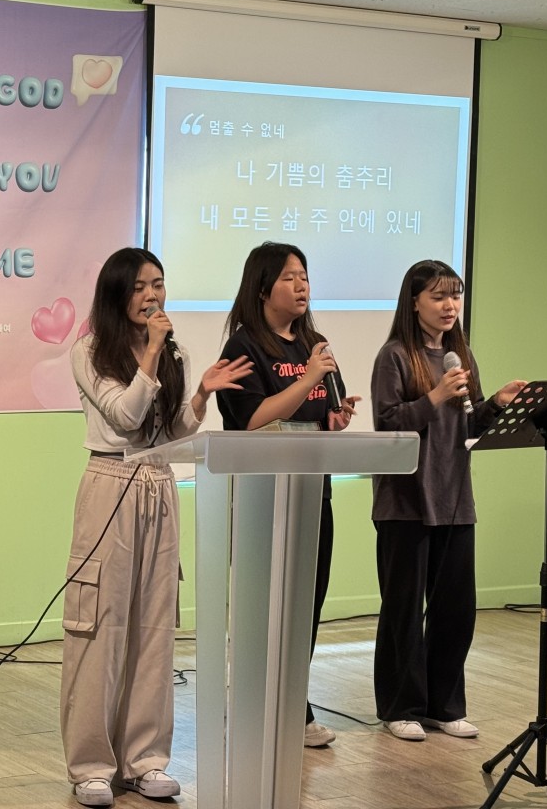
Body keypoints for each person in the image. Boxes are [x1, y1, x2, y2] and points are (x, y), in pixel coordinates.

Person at [61, 247, 252, 808]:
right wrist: (149, 353)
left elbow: (172, 432)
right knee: (100, 627)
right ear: (118, 294)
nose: (152, 295)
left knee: (154, 627)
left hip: (159, 486)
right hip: (110, 483)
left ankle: (145, 761)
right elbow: (123, 416)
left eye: (159, 284)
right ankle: (91, 767)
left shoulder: (174, 353)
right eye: (141, 286)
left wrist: (202, 393)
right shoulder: (89, 351)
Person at [370, 260, 525, 742]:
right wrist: (434, 396)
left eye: (455, 295)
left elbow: (468, 426)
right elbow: (387, 423)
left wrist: (495, 405)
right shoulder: (394, 356)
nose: (450, 305)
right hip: (406, 502)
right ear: (414, 301)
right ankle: (401, 707)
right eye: (438, 296)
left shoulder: (461, 357)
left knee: (455, 610)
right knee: (403, 611)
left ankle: (444, 705)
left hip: (455, 495)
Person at [215, 242, 360, 748]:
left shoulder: (313, 344)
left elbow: (324, 414)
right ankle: (256, 703)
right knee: (267, 605)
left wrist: (337, 417)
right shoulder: (242, 348)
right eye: (288, 277)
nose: (301, 286)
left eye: (304, 276)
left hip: (313, 492)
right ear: (262, 289)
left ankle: (294, 704)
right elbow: (253, 419)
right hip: (265, 497)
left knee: (306, 605)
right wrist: (311, 380)